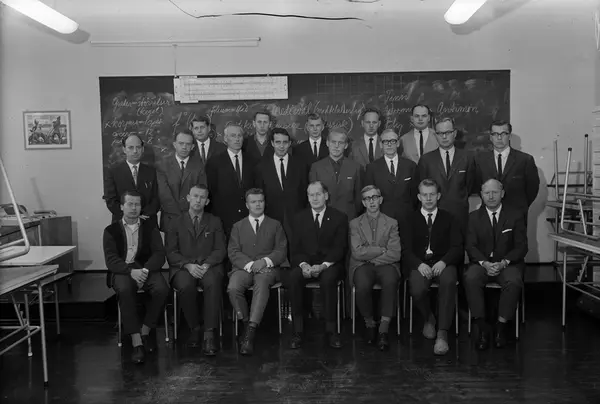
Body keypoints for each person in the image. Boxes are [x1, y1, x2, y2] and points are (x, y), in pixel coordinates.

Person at [102, 191, 169, 364]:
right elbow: (111, 259)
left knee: (162, 289)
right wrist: (130, 271)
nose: (133, 208)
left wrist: (145, 270)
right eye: (130, 204)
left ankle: (145, 331)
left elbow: (159, 254)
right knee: (125, 290)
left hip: (146, 269)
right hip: (123, 271)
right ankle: (136, 341)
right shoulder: (110, 231)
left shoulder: (150, 228)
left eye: (137, 204)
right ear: (121, 207)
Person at [282, 181, 348, 349]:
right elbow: (295, 249)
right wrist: (304, 265)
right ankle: (297, 330)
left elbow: (339, 248)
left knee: (328, 279)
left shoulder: (339, 217)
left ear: (326, 196)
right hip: (306, 264)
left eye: (318, 194)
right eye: (311, 195)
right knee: (293, 277)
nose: (315, 198)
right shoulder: (299, 218)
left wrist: (323, 266)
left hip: (330, 264)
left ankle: (331, 331)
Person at [464, 179, 527, 350]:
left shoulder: (515, 215)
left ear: (502, 193)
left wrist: (504, 262)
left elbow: (521, 246)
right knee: (470, 278)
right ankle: (482, 328)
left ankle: (501, 327)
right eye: (487, 193)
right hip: (481, 264)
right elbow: (470, 246)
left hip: (507, 264)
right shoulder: (473, 217)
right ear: (481, 195)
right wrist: (485, 263)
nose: (491, 196)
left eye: (495, 192)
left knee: (513, 281)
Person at [402, 179, 462, 355]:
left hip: (443, 263)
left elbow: (457, 247)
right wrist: (419, 264)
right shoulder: (409, 219)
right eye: (425, 195)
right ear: (419, 197)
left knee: (449, 282)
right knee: (417, 288)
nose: (428, 199)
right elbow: (405, 250)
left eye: (432, 195)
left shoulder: (450, 218)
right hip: (420, 264)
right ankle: (429, 318)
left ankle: (442, 333)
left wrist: (444, 262)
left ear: (438, 196)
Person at [165, 184, 226, 356]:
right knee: (185, 286)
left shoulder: (214, 221)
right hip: (183, 267)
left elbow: (220, 249)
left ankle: (209, 334)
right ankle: (194, 328)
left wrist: (206, 265)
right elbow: (171, 252)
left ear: (207, 201)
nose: (198, 200)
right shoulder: (175, 222)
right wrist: (188, 265)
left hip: (209, 266)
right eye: (195, 196)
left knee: (213, 283)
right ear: (188, 198)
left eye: (202, 197)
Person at [227, 188, 288, 355]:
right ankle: (246, 323)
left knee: (261, 281)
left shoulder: (275, 225)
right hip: (243, 268)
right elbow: (233, 251)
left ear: (265, 203)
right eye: (253, 202)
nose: (257, 204)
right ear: (247, 205)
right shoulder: (238, 226)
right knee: (233, 287)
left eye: (260, 201)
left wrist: (264, 261)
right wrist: (250, 264)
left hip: (268, 269)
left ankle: (250, 334)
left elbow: (281, 250)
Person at [349, 185, 401, 351]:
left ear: (380, 199)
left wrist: (373, 257)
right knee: (362, 284)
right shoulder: (355, 224)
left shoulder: (392, 223)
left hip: (387, 264)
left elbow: (395, 253)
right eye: (367, 198)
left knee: (390, 281)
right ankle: (370, 323)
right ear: (363, 203)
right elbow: (357, 252)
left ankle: (383, 330)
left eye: (374, 197)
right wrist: (381, 250)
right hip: (362, 265)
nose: (371, 201)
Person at [417, 117, 476, 233]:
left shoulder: (468, 158)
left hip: (459, 214)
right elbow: (422, 188)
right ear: (435, 135)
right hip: (434, 215)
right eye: (440, 133)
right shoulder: (426, 160)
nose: (444, 137)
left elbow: (470, 185)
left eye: (448, 132)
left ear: (455, 133)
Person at [474, 120, 539, 224]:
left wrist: (520, 207)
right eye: (495, 134)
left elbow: (532, 189)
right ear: (490, 137)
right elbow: (478, 185)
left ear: (509, 136)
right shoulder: (480, 160)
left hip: (517, 215)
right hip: (489, 214)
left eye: (503, 134)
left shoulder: (525, 160)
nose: (499, 138)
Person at [254, 128, 308, 239]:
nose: (281, 146)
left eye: (285, 142)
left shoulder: (301, 165)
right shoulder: (261, 167)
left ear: (289, 143)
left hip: (296, 219)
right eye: (278, 142)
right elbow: (259, 194)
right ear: (272, 143)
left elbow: (304, 193)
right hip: (271, 219)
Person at [206, 124, 257, 237]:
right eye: (233, 136)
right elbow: (212, 191)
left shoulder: (253, 161)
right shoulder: (214, 162)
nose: (237, 139)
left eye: (239, 136)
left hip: (248, 217)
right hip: (224, 218)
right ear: (225, 139)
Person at [103, 134, 160, 226]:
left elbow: (156, 198)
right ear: (124, 149)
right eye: (130, 147)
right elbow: (110, 199)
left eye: (138, 147)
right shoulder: (113, 171)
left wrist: (142, 215)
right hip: (122, 223)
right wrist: (129, 216)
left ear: (142, 149)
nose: (135, 151)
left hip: (147, 222)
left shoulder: (152, 171)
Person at [364, 128, 418, 222]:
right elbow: (370, 196)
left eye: (393, 141)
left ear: (398, 143)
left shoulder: (410, 166)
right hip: (382, 219)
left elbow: (415, 195)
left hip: (407, 218)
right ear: (381, 144)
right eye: (385, 141)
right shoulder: (372, 168)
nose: (389, 144)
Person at [157, 130, 206, 232]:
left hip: (192, 219)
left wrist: (188, 215)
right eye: (181, 143)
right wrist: (179, 216)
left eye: (188, 144)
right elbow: (164, 194)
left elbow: (201, 193)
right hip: (170, 219)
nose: (184, 147)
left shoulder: (199, 166)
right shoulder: (163, 164)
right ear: (175, 144)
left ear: (192, 147)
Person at [309, 127, 363, 220]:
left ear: (346, 145)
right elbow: (314, 196)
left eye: (340, 143)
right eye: (333, 142)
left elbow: (359, 198)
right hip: (325, 219)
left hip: (349, 219)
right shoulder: (316, 167)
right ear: (327, 143)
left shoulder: (356, 168)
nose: (336, 146)